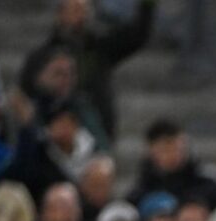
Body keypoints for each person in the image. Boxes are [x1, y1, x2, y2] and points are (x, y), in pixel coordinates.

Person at [19, 0, 157, 141]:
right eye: (75, 9)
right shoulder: (41, 57)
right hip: (55, 142)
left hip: (98, 137)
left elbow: (138, 35)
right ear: (60, 14)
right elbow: (24, 96)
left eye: (85, 10)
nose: (82, 16)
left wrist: (148, 4)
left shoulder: (100, 48)